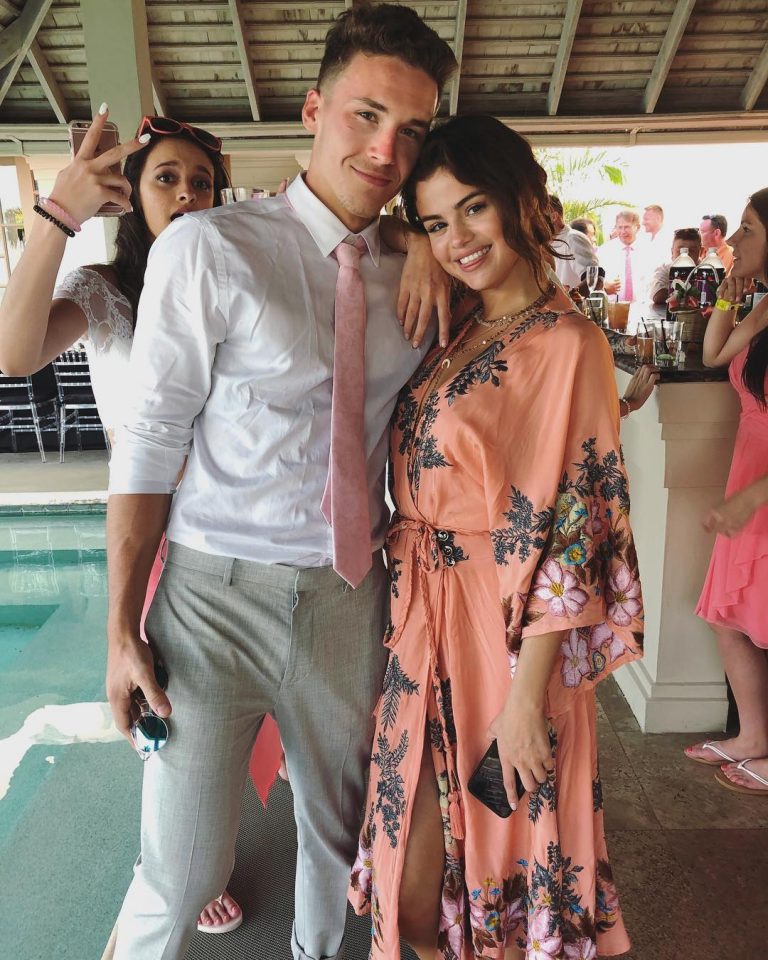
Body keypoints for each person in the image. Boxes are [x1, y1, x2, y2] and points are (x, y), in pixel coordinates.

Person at [104, 4, 458, 959]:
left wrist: (427, 240)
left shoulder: (418, 268)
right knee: (180, 871)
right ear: (313, 108)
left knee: (340, 845)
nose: (386, 149)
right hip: (211, 599)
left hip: (350, 596)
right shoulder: (210, 248)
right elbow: (150, 442)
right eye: (366, 115)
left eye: (411, 129)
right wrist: (120, 629)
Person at [349, 115, 644, 960]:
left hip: (505, 640)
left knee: (503, 847)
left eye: (473, 208)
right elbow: (373, 229)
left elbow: (574, 534)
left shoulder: (569, 344)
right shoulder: (459, 320)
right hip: (422, 621)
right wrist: (415, 242)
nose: (458, 240)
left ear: (523, 199)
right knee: (408, 875)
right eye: (437, 222)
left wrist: (525, 706)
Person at [0, 106, 264, 935]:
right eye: (167, 178)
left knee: (245, 701)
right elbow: (13, 354)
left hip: (239, 525)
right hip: (153, 534)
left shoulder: (236, 282)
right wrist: (58, 214)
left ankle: (215, 834)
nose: (187, 193)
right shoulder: (104, 290)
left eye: (202, 182)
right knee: (169, 704)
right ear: (133, 195)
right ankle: (184, 856)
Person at [686, 190, 768, 796]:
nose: (734, 240)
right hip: (750, 475)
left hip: (760, 489)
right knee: (726, 615)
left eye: (748, 229)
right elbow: (714, 352)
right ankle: (754, 736)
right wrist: (726, 293)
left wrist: (751, 497)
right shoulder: (764, 306)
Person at [548, 195, 598, 291]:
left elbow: (593, 278)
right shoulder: (543, 244)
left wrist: (569, 296)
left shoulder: (573, 238)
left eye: (536, 217)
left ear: (553, 217)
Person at [599, 209, 649, 302]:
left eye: (627, 227)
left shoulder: (648, 250)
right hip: (613, 306)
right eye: (619, 227)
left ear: (637, 227)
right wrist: (603, 285)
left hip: (642, 305)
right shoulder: (604, 250)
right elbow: (596, 279)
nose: (623, 231)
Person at [649, 227, 702, 306]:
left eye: (691, 251)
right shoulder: (665, 269)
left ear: (700, 252)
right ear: (672, 252)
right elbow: (657, 295)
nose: (686, 255)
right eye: (680, 251)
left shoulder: (708, 271)